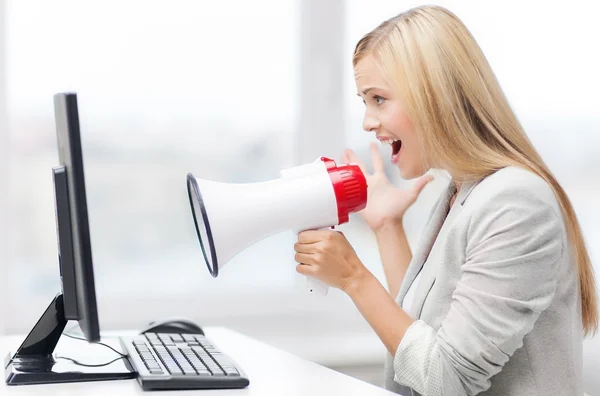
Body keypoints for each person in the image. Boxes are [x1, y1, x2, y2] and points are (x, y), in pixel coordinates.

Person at [293, 5, 598, 396]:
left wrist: (354, 276)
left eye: (378, 99)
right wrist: (388, 227)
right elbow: (425, 331)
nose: (367, 121)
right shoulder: (462, 191)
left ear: (433, 95)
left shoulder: (516, 203)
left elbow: (446, 379)